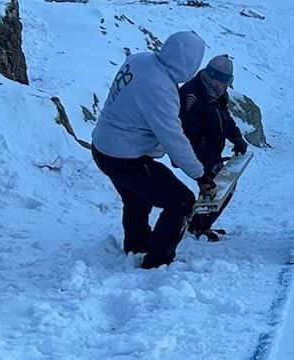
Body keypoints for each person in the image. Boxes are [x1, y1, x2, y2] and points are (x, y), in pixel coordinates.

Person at [90, 29, 216, 269]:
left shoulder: (141, 59)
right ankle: (158, 260)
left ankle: (136, 246)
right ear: (190, 63)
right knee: (180, 201)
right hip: (123, 157)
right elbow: (173, 138)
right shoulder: (160, 88)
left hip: (104, 147)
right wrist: (200, 175)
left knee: (137, 198)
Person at [179, 53, 249, 241]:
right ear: (211, 76)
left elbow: (223, 118)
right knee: (217, 188)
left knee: (218, 187)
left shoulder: (216, 94)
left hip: (211, 151)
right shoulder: (191, 96)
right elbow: (188, 136)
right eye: (223, 81)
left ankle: (199, 226)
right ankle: (197, 229)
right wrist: (207, 161)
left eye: (228, 81)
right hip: (194, 152)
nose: (224, 86)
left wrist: (236, 137)